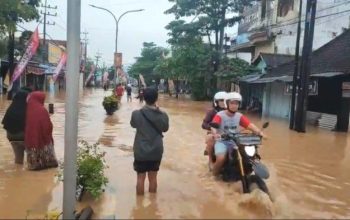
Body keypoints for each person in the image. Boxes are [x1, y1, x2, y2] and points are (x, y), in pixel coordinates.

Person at [210, 92, 267, 176]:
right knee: (221, 158)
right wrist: (215, 134)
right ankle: (214, 176)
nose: (234, 105)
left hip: (236, 140)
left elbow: (249, 125)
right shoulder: (220, 115)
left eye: (236, 103)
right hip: (222, 141)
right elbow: (213, 126)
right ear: (227, 104)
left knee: (251, 154)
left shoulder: (239, 116)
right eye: (232, 103)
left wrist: (260, 132)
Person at [130, 88, 169, 195]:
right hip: (156, 150)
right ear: (156, 98)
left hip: (141, 150)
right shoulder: (163, 115)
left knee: (140, 178)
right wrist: (159, 111)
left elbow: (133, 124)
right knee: (153, 178)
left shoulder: (136, 114)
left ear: (144, 98)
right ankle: (152, 203)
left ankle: (139, 207)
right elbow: (165, 129)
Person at [25, 91, 58, 170]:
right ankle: (46, 164)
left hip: (31, 139)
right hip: (42, 139)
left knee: (34, 165)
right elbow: (47, 126)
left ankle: (34, 165)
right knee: (49, 166)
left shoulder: (28, 108)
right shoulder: (42, 110)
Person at [1, 88, 32, 164]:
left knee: (18, 160)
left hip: (11, 137)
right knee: (31, 159)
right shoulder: (28, 108)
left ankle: (18, 172)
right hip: (23, 136)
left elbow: (5, 124)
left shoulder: (11, 108)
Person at [201, 91, 227, 168]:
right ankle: (210, 161)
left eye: (225, 100)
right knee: (210, 140)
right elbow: (204, 124)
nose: (223, 102)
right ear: (216, 102)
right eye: (221, 100)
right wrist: (212, 127)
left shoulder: (230, 112)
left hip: (226, 133)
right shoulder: (212, 112)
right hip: (213, 133)